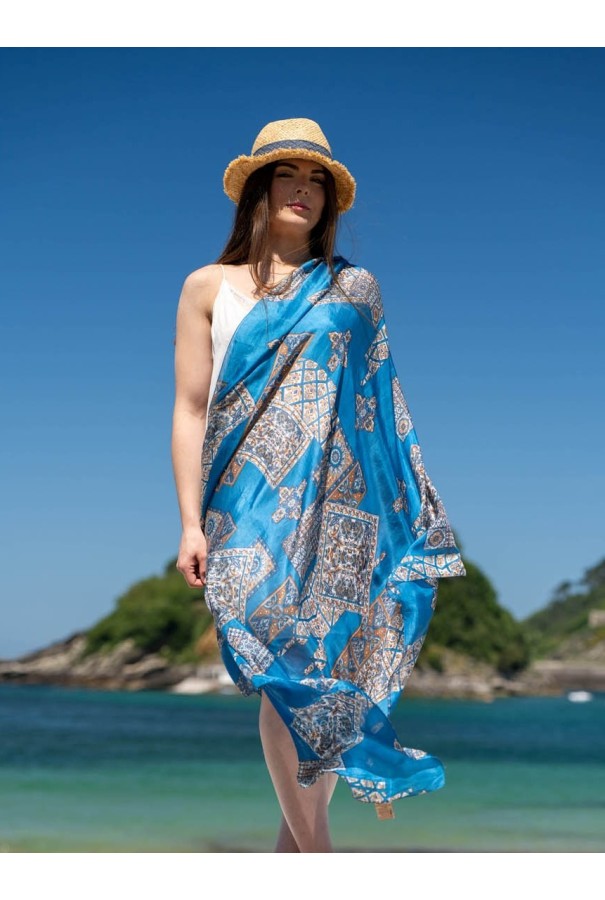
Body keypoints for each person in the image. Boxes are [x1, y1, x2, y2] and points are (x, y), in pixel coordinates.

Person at [171, 118, 466, 853]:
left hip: (340, 510)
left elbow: (379, 409)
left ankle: (296, 856)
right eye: (286, 175)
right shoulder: (207, 287)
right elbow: (190, 409)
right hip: (242, 508)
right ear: (258, 190)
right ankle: (321, 859)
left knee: (323, 671)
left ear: (329, 200)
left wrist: (404, 512)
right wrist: (189, 522)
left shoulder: (352, 289)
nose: (302, 190)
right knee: (278, 667)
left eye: (316, 181)